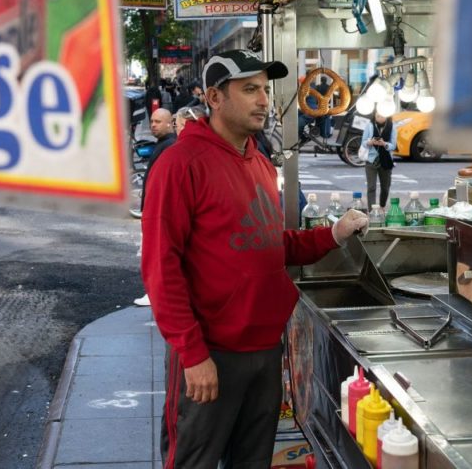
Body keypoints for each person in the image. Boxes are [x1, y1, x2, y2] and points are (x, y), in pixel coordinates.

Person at [141, 49, 368, 468]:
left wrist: (333, 235)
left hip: (264, 352)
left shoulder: (260, 163)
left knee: (253, 461)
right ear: (214, 97)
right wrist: (193, 355)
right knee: (195, 461)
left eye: (265, 89)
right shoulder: (180, 164)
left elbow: (268, 244)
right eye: (249, 90)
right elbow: (160, 268)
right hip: (212, 353)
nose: (264, 100)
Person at [133, 108, 177, 307]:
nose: (153, 125)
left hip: (158, 213)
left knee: (154, 255)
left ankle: (154, 293)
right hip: (154, 211)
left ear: (170, 124)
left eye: (158, 122)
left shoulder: (169, 146)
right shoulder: (164, 144)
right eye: (152, 121)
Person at [362, 112, 397, 208]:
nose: (380, 118)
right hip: (371, 160)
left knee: (385, 187)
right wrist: (370, 142)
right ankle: (372, 210)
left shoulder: (392, 126)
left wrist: (384, 144)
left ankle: (382, 206)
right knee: (371, 187)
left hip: (385, 160)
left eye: (382, 115)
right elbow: (363, 142)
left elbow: (393, 145)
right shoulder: (369, 125)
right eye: (377, 116)